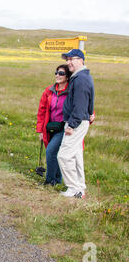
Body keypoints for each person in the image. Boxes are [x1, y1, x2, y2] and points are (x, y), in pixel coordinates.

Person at [57, 49, 95, 199]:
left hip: (76, 122)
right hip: (80, 120)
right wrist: (90, 112)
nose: (68, 62)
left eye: (71, 59)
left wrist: (72, 125)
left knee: (64, 156)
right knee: (76, 155)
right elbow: (88, 101)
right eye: (67, 60)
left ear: (81, 60)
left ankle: (74, 189)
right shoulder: (82, 77)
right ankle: (80, 187)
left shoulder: (80, 79)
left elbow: (80, 105)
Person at [36, 65, 71, 186]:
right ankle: (57, 179)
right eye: (56, 72)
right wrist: (40, 130)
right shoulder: (49, 91)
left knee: (51, 151)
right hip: (50, 127)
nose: (57, 75)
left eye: (61, 73)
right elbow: (42, 110)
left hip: (64, 128)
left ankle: (49, 181)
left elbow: (82, 103)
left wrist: (91, 114)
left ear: (67, 76)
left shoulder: (71, 91)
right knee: (55, 153)